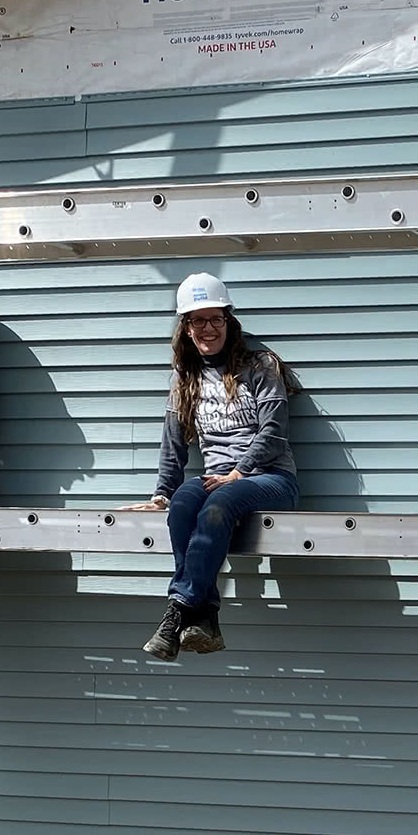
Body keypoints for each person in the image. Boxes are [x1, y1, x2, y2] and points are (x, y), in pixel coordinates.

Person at [122, 273, 299, 661]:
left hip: (270, 479)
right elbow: (172, 443)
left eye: (215, 318)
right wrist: (161, 494)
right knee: (184, 503)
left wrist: (240, 472)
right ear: (185, 328)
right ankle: (205, 618)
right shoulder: (184, 378)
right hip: (218, 479)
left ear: (228, 321)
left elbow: (274, 431)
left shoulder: (259, 365)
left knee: (218, 504)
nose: (208, 328)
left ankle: (176, 611)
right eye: (197, 320)